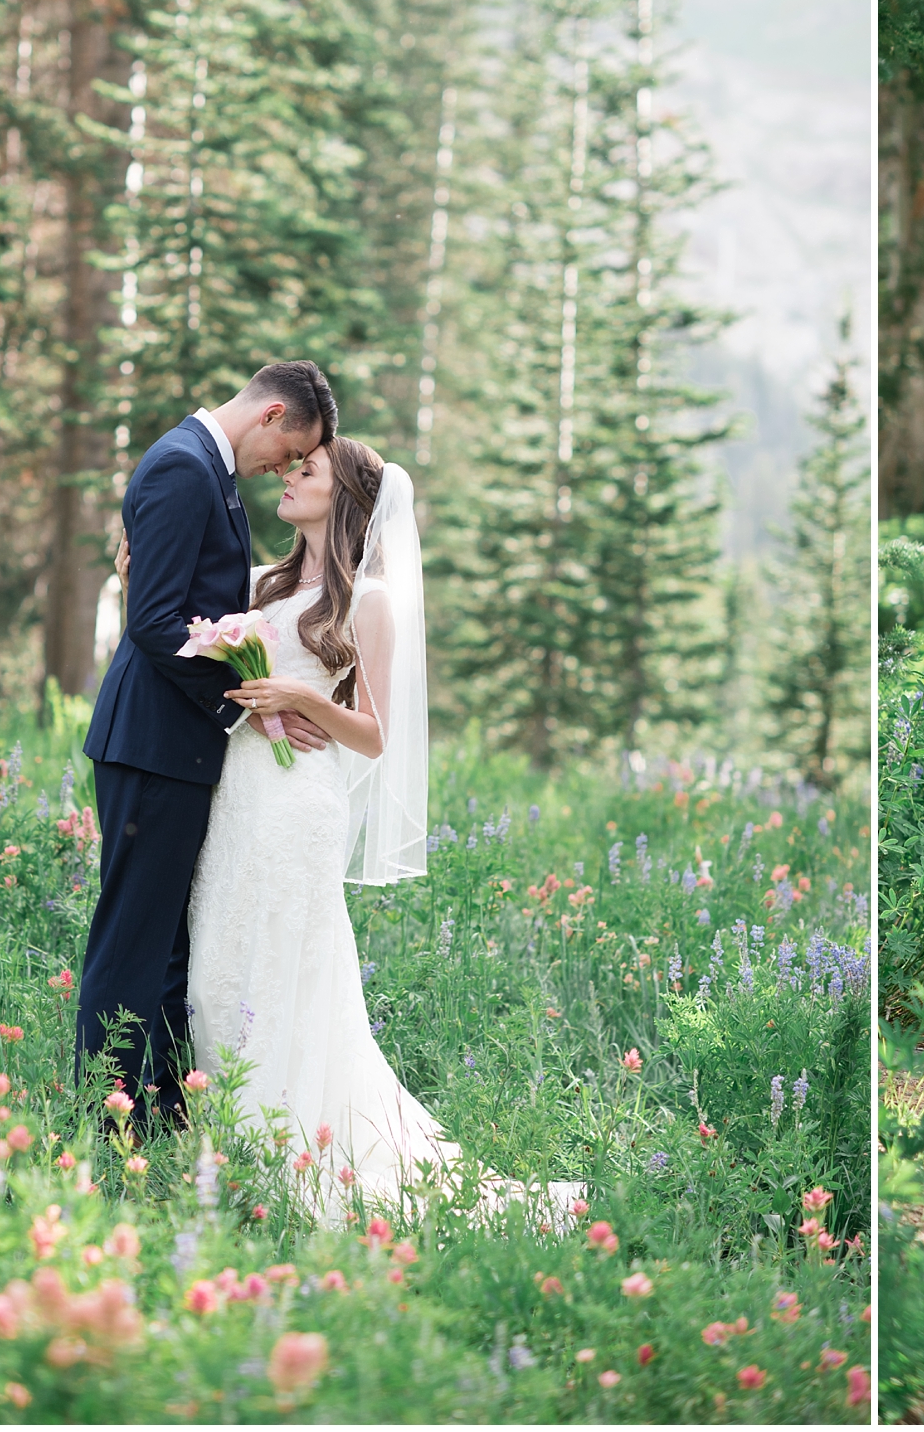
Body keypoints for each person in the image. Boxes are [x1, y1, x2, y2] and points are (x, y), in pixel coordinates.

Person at [184, 434, 581, 1223]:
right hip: (242, 796)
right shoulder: (268, 580)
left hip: (300, 807)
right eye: (292, 466)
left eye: (309, 470)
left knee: (278, 981)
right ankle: (227, 1149)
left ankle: (285, 1161)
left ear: (347, 499)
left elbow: (372, 731)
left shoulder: (368, 599)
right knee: (215, 975)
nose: (291, 476)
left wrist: (298, 702)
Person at [78, 362, 339, 1128]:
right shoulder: (184, 467)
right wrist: (246, 704)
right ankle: (105, 1116)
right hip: (153, 743)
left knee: (163, 946)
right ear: (274, 413)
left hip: (174, 747)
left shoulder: (206, 470)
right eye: (290, 452)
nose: (283, 470)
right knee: (131, 941)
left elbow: (183, 599)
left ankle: (162, 1109)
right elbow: (157, 622)